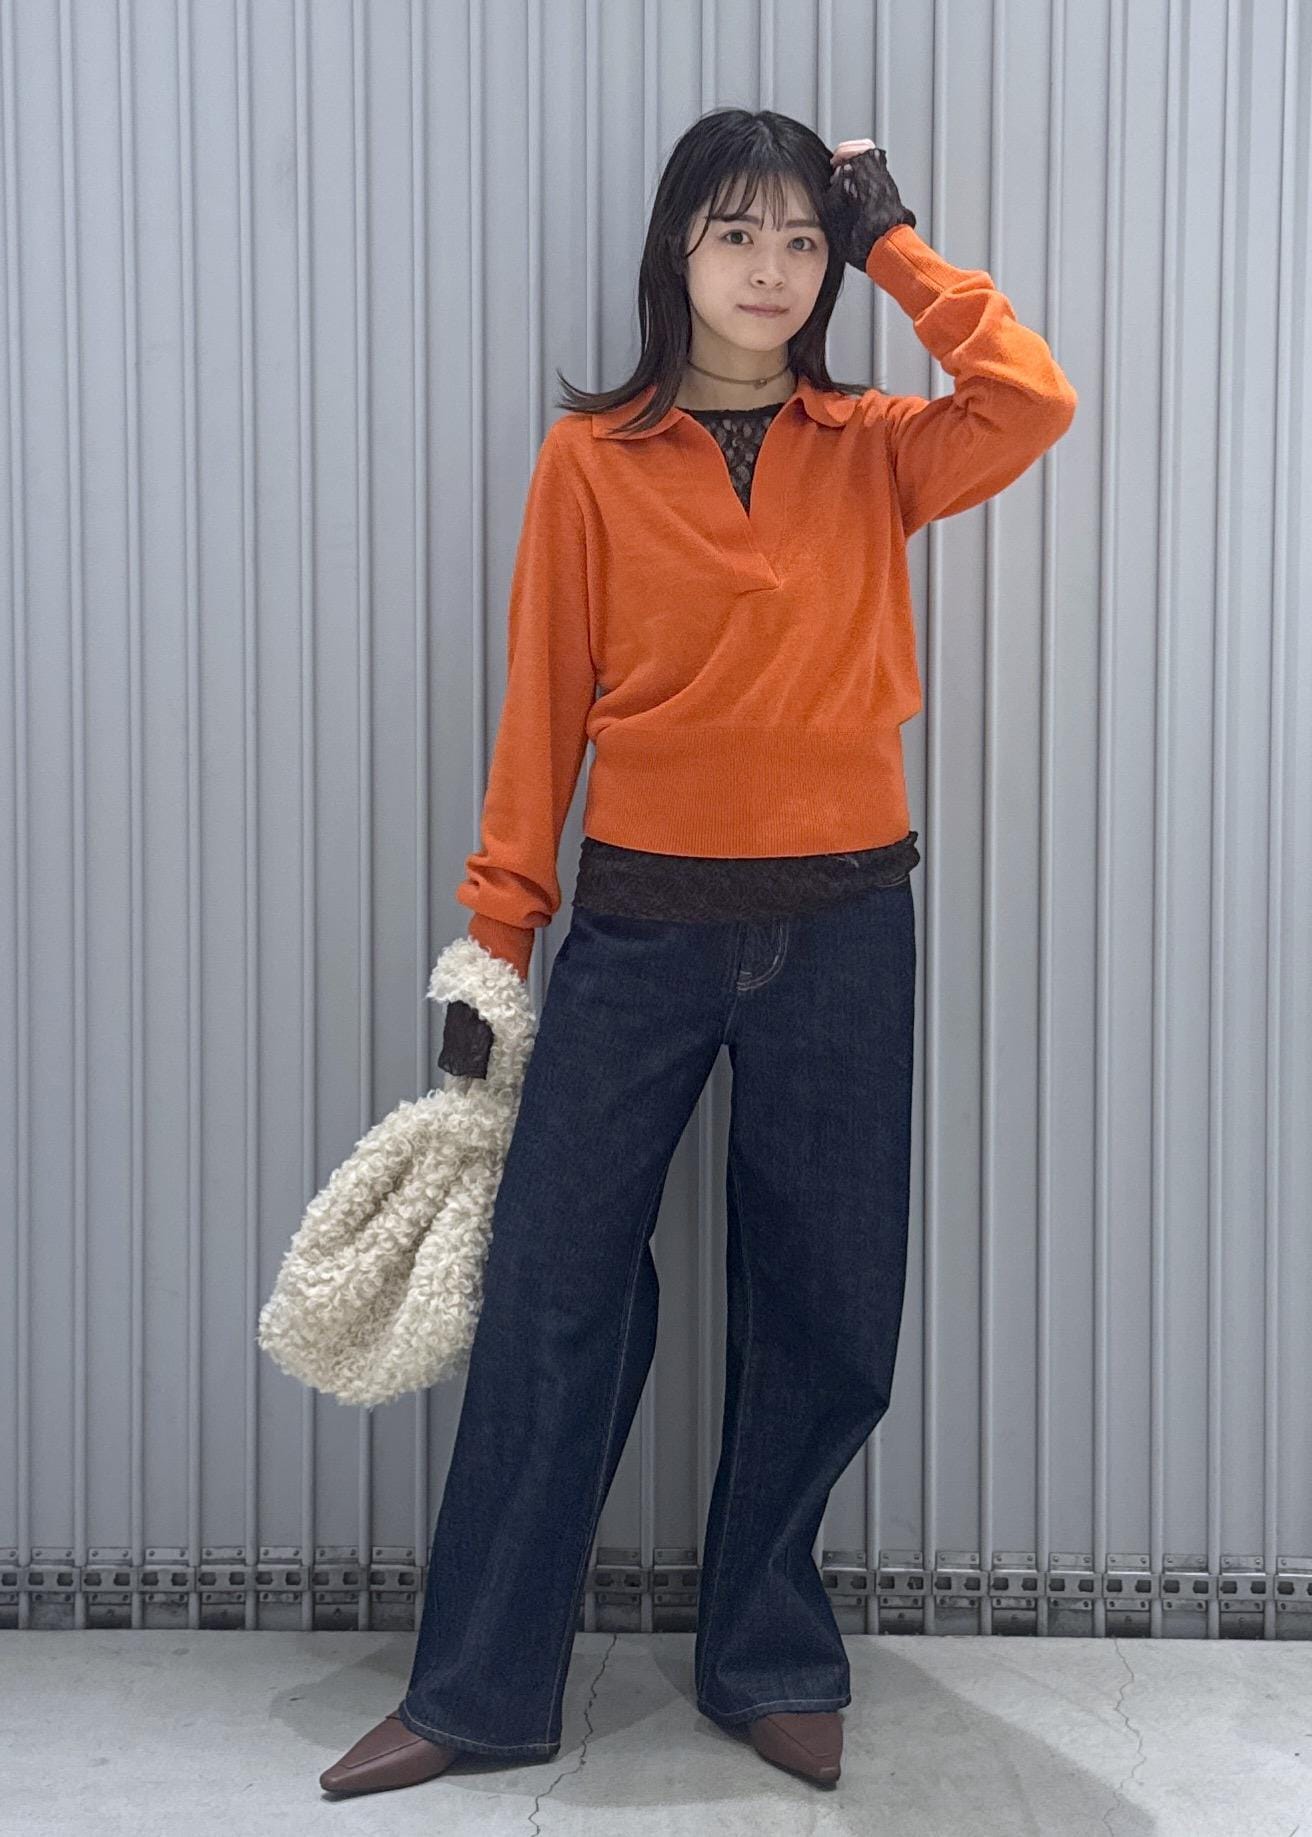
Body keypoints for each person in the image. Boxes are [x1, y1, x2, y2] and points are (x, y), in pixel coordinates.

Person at [319, 105, 1077, 1799]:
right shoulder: (592, 459)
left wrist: (899, 244)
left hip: (846, 920)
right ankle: (479, 1685)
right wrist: (495, 945)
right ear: (679, 249)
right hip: (641, 926)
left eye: (804, 239)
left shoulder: (877, 445)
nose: (772, 268)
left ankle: (769, 1651)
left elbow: (1032, 399)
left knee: (829, 1300)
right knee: (554, 1289)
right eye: (740, 233)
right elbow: (541, 714)